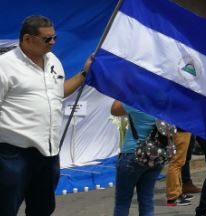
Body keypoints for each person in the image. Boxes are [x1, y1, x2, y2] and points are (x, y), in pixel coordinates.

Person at [0, 15, 93, 215]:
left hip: (49, 154)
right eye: (47, 39)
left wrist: (84, 73)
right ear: (27, 39)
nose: (52, 43)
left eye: (54, 37)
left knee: (43, 209)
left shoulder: (53, 61)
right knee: (6, 208)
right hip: (13, 154)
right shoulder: (5, 65)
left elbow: (59, 93)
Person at [111, 100, 165, 215]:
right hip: (155, 156)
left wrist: (123, 90)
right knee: (147, 200)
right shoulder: (163, 102)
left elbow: (114, 109)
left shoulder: (137, 100)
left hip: (133, 153)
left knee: (122, 203)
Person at [166, 127, 194, 206]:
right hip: (180, 130)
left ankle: (178, 192)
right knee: (176, 163)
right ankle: (173, 196)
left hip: (183, 129)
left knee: (179, 163)